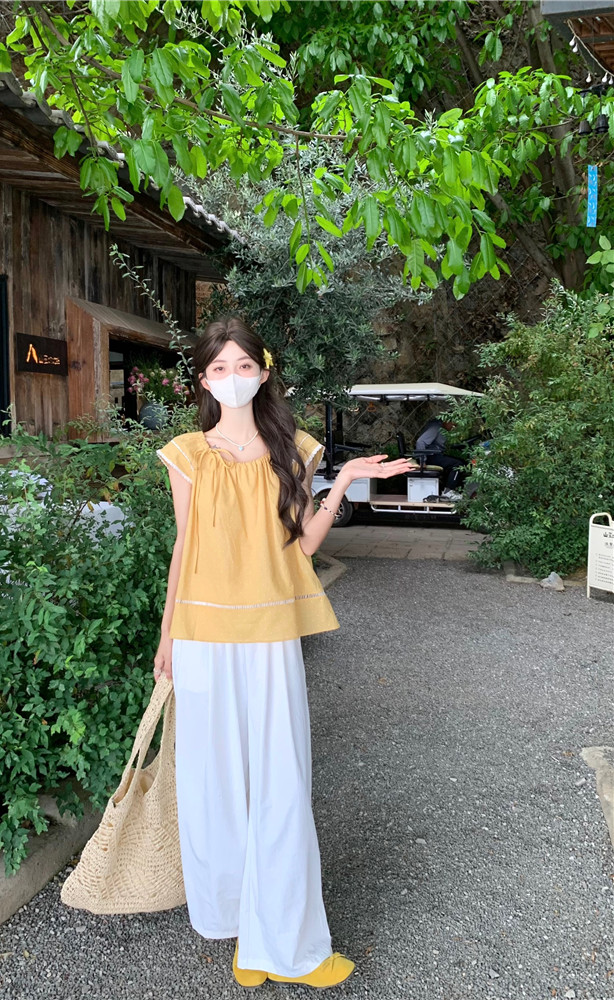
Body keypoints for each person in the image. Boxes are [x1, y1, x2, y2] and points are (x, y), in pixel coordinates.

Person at [153, 316, 416, 989]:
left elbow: (302, 545)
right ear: (204, 379)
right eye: (219, 368)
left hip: (270, 638)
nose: (232, 378)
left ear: (263, 372)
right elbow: (183, 547)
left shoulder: (293, 450)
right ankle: (247, 935)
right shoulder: (186, 453)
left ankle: (291, 947)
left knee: (281, 787)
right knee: (217, 789)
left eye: (243, 366)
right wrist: (167, 638)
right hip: (203, 640)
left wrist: (344, 480)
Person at [413, 417, 467, 496]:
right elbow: (420, 442)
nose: (453, 427)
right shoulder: (435, 427)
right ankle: (448, 492)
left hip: (434, 455)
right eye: (453, 424)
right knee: (458, 465)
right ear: (447, 421)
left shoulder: (439, 427)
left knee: (462, 462)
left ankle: (452, 489)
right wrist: (422, 461)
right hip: (430, 456)